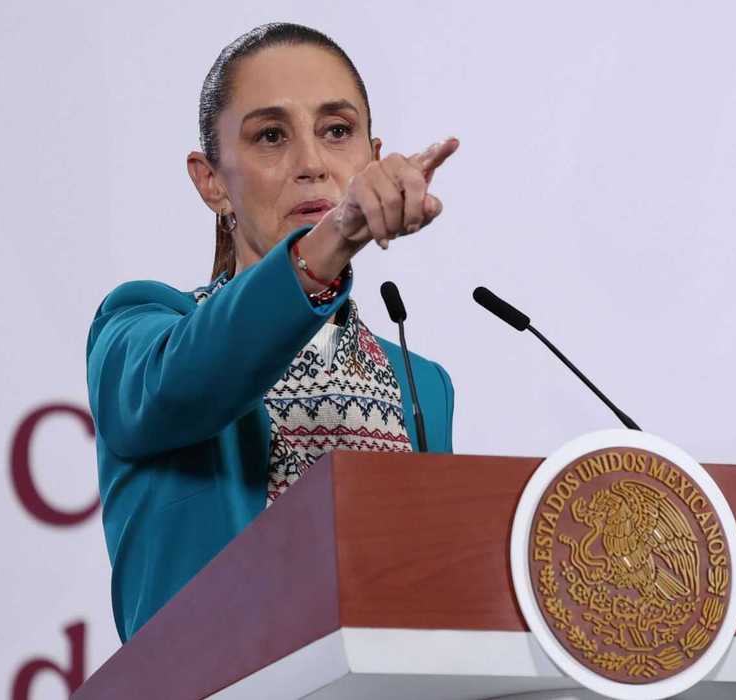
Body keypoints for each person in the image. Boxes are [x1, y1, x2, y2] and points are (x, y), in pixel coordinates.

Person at [85, 23, 458, 643]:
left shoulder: (423, 383)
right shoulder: (140, 330)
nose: (312, 164)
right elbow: (192, 379)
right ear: (211, 181)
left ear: (371, 156)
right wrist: (334, 237)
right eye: (271, 137)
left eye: (337, 132)